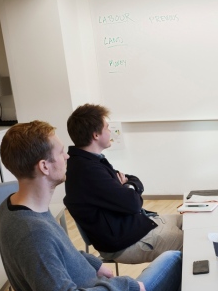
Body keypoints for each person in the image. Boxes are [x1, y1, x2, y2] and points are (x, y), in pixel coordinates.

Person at [0, 120, 182, 291]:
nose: (67, 157)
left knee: (183, 280)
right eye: (62, 152)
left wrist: (93, 264)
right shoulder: (34, 233)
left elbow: (60, 253)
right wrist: (125, 286)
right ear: (44, 166)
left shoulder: (14, 207)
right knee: (178, 260)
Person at [64, 104, 183, 264]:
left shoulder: (90, 161)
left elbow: (132, 179)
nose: (110, 132)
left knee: (189, 221)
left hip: (136, 225)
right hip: (126, 242)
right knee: (193, 243)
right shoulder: (88, 171)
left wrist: (127, 186)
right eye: (107, 128)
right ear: (96, 135)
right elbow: (133, 203)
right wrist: (126, 188)